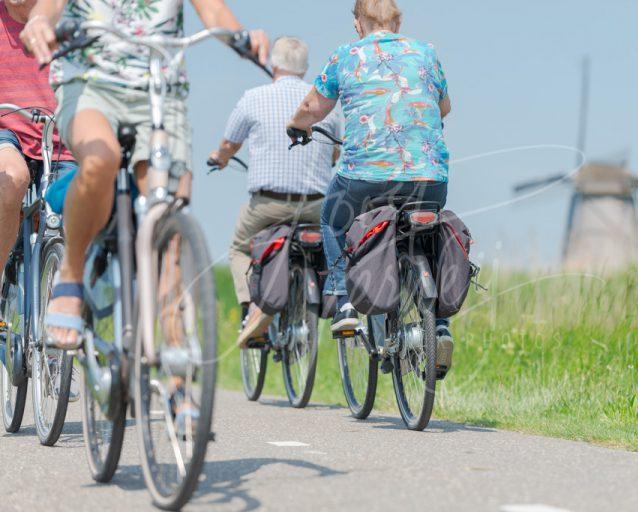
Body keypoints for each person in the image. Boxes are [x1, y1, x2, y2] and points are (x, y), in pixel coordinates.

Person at [21, 0, 270, 351]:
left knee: (168, 215)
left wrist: (242, 36)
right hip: (90, 83)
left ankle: (175, 361)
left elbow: (212, 10)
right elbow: (49, 7)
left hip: (159, 91)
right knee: (100, 160)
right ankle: (71, 277)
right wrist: (38, 22)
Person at [287, 0, 455, 373]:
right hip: (429, 177)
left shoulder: (346, 55)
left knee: (332, 219)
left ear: (357, 24)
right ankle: (439, 325)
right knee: (428, 233)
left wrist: (297, 125)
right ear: (398, 21)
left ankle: (344, 300)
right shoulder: (426, 53)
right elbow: (443, 108)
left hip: (366, 178)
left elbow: (313, 108)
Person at [209, 36, 342, 349]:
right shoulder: (325, 103)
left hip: (268, 205)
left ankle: (250, 310)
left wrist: (220, 159)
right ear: (305, 68)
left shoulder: (253, 98)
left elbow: (229, 144)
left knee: (240, 248)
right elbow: (334, 154)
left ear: (274, 65)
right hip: (315, 206)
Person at [0, 0, 79, 399]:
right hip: (6, 130)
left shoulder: (64, 14)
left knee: (78, 210)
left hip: (59, 137)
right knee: (10, 179)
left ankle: (57, 330)